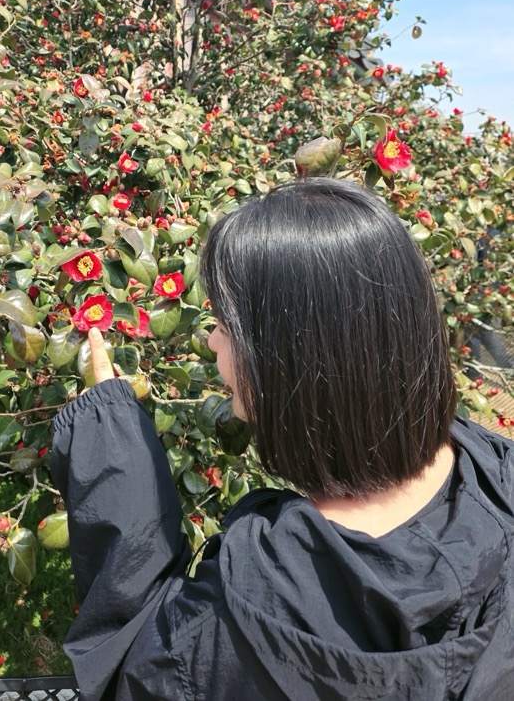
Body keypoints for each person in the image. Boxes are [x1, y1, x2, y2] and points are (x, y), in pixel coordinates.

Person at [50, 178, 514, 701]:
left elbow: (132, 666)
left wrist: (112, 440)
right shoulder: (500, 478)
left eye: (227, 325)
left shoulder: (246, 623)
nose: (210, 340)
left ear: (289, 361)